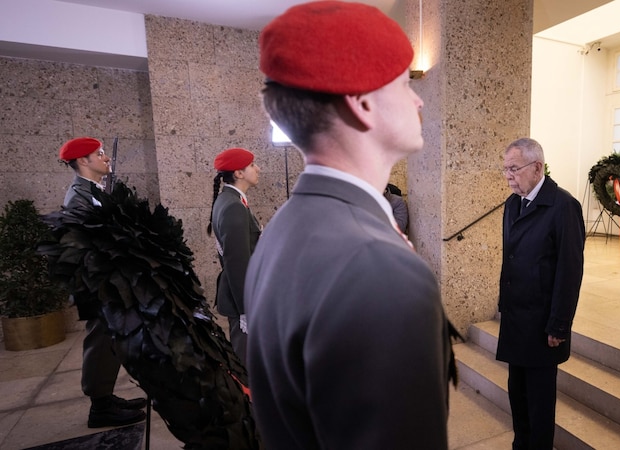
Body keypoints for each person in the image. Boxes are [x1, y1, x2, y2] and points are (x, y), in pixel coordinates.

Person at [244, 2, 455, 448]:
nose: (418, 99)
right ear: (361, 104)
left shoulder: (284, 225)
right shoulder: (378, 268)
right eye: (403, 83)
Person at [496, 138, 584, 449]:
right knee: (517, 394)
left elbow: (569, 272)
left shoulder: (563, 206)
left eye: (514, 169)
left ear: (536, 167)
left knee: (539, 401)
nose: (508, 175)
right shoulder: (512, 203)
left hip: (543, 322)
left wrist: (559, 324)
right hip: (517, 317)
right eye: (505, 169)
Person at [59, 137, 147, 428]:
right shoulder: (79, 196)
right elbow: (88, 245)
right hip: (98, 282)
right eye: (99, 154)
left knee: (111, 341)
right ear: (83, 161)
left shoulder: (96, 191)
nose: (106, 158)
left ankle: (106, 397)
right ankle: (100, 406)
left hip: (109, 280)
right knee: (100, 341)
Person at [207, 147, 261, 363]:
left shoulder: (230, 201)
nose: (258, 169)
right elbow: (237, 263)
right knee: (249, 363)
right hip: (243, 298)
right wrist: (246, 310)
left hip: (242, 294)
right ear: (239, 173)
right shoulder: (233, 207)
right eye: (252, 165)